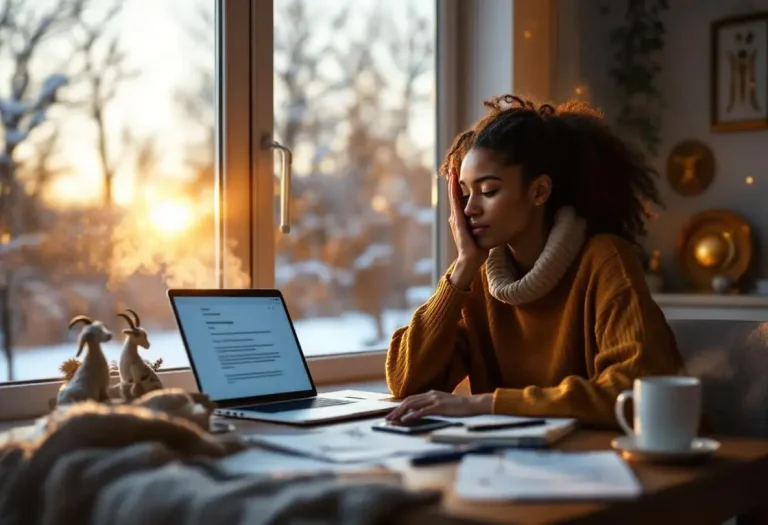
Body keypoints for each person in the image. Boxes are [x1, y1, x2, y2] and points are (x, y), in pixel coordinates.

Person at [385, 94, 684, 428]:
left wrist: (488, 404)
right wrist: (463, 267)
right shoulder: (477, 277)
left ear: (539, 192)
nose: (469, 210)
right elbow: (405, 382)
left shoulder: (603, 259)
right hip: (514, 464)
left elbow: (633, 392)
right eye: (465, 195)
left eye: (488, 191)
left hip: (609, 465)